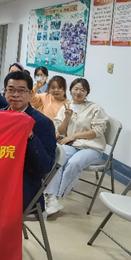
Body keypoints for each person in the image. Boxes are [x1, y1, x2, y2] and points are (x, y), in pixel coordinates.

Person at [45, 78, 109, 215]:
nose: (78, 92)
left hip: (92, 148)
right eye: (76, 89)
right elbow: (60, 131)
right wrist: (67, 118)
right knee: (57, 159)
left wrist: (73, 136)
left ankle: (56, 198)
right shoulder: (65, 107)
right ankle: (51, 197)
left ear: (87, 93)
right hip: (72, 145)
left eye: (82, 90)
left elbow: (97, 131)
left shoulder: (95, 109)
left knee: (74, 163)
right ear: (70, 90)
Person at [0, 71, 56, 211]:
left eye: (21, 90)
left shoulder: (43, 123)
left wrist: (30, 136)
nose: (15, 94)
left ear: (30, 94)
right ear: (5, 92)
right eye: (11, 90)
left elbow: (46, 166)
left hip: (24, 183)